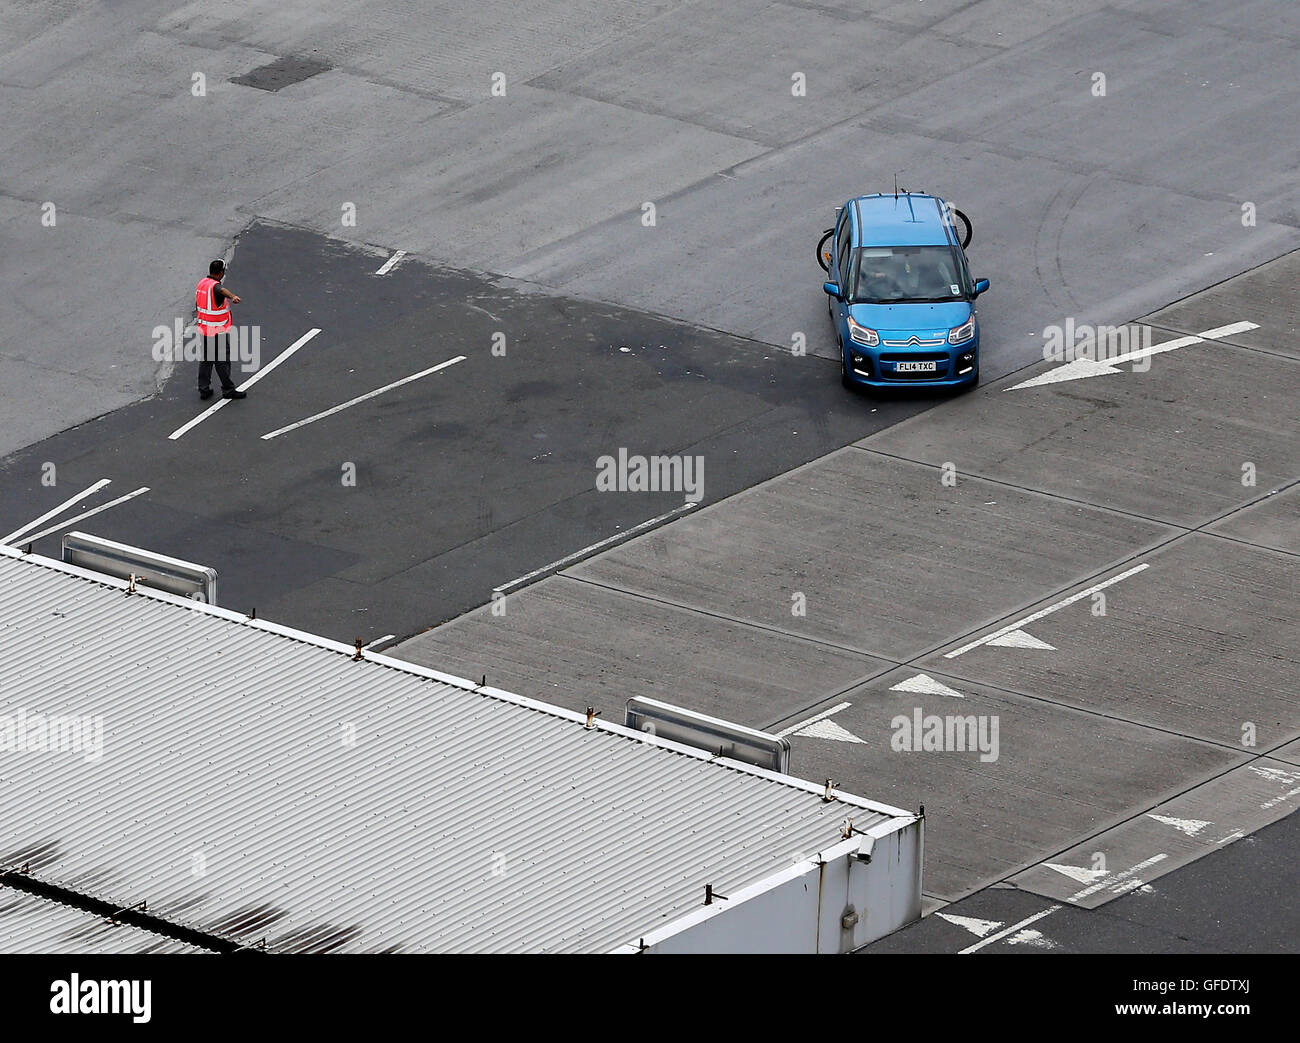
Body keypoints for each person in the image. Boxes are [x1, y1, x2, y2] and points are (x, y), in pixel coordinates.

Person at [195, 259, 246, 400]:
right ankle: (228, 390)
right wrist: (233, 296)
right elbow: (221, 290)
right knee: (222, 361)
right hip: (217, 332)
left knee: (206, 360)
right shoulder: (215, 287)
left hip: (204, 329)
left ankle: (203, 389)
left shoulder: (202, 284)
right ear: (221, 272)